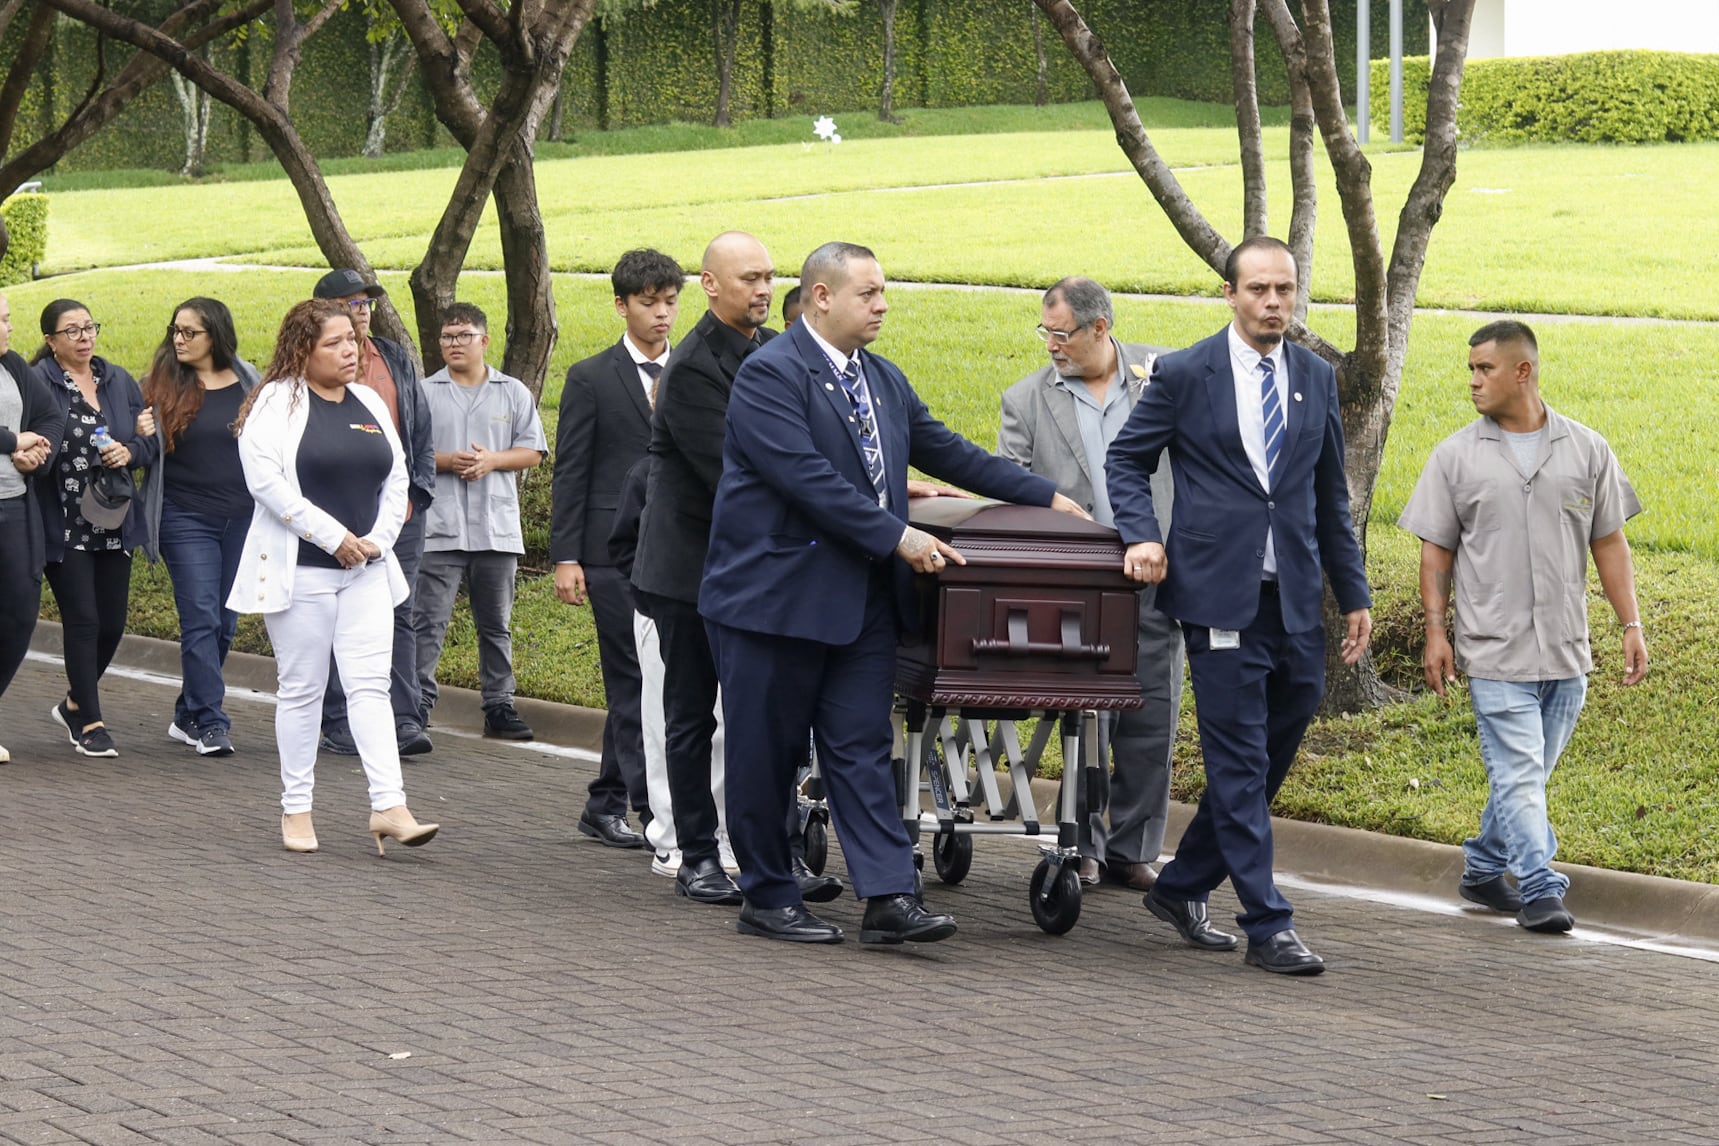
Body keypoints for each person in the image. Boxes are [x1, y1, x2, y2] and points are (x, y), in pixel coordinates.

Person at [701, 241, 1083, 945]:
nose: (882, 305)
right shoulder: (770, 374)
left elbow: (946, 449)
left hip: (860, 605)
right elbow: (805, 478)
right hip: (774, 603)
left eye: (883, 293)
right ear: (820, 297)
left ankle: (886, 896)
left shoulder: (879, 377)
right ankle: (768, 894)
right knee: (768, 752)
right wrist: (899, 536)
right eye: (867, 293)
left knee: (860, 748)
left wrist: (1046, 496)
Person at [1104, 236, 1372, 976]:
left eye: (1284, 290)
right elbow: (1127, 459)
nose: (1273, 303)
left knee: (1270, 750)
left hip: (1293, 600)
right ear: (1230, 294)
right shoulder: (1186, 372)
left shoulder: (1315, 378)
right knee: (1237, 761)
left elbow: (1327, 498)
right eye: (1258, 290)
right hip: (1216, 595)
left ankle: (1183, 884)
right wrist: (1141, 535)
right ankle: (1267, 922)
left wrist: (1352, 593)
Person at [1398, 320, 1648, 934]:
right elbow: (1436, 555)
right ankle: (1540, 886)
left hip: (1567, 653)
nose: (1474, 380)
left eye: (1485, 369)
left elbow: (1609, 543)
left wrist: (1631, 624)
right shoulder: (1455, 456)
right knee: (1517, 771)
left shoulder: (1587, 449)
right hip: (1493, 651)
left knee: (1526, 777)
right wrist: (1436, 633)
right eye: (1471, 369)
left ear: (1522, 372)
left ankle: (1484, 868)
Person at [228, 298, 439, 856]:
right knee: (303, 690)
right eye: (335, 343)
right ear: (303, 349)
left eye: (353, 340)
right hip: (303, 572)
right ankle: (296, 809)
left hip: (367, 569)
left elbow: (398, 478)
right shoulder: (275, 402)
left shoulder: (369, 399)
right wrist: (334, 538)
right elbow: (268, 485)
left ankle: (389, 805)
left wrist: (377, 540)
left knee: (371, 686)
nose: (351, 351)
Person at [998, 276, 1183, 891]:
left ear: (1100, 329)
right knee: (1084, 718)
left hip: (1155, 569)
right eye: (1044, 331)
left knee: (1151, 712)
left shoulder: (1164, 375)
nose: (1050, 344)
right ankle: (1083, 844)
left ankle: (1134, 849)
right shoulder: (1025, 400)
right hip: (1076, 579)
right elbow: (1011, 489)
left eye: (1061, 333)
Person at [630, 231, 779, 906]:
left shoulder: (770, 351)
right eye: (748, 277)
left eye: (768, 277)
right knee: (691, 718)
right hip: (687, 572)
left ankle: (759, 855)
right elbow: (734, 477)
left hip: (749, 570)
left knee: (757, 716)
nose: (763, 289)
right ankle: (695, 855)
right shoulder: (690, 368)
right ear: (711, 285)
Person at [552, 249, 683, 850]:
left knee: (659, 681)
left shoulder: (695, 371)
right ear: (621, 305)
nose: (662, 314)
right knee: (631, 675)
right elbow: (572, 471)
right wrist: (566, 557)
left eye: (670, 302)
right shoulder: (591, 376)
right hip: (609, 552)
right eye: (649, 303)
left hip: (680, 547)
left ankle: (604, 800)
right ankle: (649, 807)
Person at [310, 268, 436, 758]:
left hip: (398, 514)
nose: (361, 314)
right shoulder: (306, 369)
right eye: (349, 305)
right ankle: (339, 721)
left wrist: (416, 495)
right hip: (333, 516)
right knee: (335, 615)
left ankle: (403, 718)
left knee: (399, 610)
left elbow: (418, 429)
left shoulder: (393, 356)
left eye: (365, 305)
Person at [413, 303, 546, 739]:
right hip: (440, 530)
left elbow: (533, 451)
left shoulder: (513, 392)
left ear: (484, 341)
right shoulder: (424, 392)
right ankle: (415, 707)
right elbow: (408, 456)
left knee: (496, 625)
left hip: (495, 529)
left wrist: (492, 461)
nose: (454, 344)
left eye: (464, 336)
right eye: (447, 337)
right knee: (427, 623)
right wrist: (450, 461)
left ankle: (499, 706)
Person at [31, 298, 156, 759]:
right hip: (61, 517)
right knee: (83, 620)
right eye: (72, 331)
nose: (85, 338)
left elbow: (148, 442)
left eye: (89, 327)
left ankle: (72, 703)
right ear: (51, 341)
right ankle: (91, 723)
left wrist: (130, 451)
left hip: (114, 515)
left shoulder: (117, 379)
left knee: (113, 624)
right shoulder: (39, 383)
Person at [139, 297, 260, 757]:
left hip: (243, 518)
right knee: (202, 617)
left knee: (226, 623)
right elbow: (134, 442)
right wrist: (138, 431)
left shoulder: (251, 381)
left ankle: (188, 710)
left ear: (216, 335)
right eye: (175, 329)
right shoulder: (158, 386)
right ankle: (211, 721)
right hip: (184, 517)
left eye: (190, 332)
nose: (179, 339)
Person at [0, 292, 64, 764]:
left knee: (20, 612)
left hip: (15, 506)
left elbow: (49, 416)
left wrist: (35, 453)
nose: (9, 329)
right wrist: (9, 440)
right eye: (1, 320)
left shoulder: (14, 366)